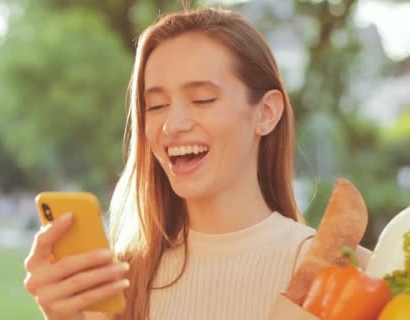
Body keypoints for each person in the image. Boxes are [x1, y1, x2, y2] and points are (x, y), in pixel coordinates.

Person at [23, 7, 371, 320]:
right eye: (156, 106)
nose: (171, 125)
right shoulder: (117, 285)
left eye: (202, 99)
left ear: (266, 114)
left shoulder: (348, 276)